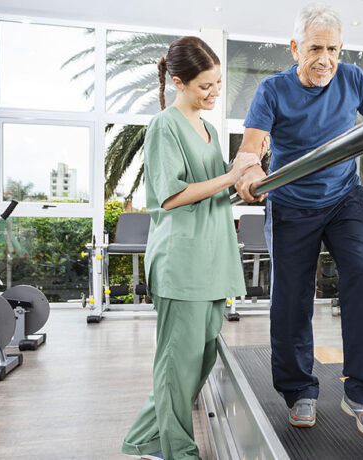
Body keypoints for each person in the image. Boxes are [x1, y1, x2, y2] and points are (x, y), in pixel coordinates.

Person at [234, 3, 363, 438]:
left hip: (344, 199)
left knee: (362, 276)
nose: (325, 59)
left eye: (333, 49)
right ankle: (300, 390)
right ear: (294, 49)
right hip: (290, 203)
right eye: (315, 49)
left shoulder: (353, 79)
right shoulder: (273, 90)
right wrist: (251, 171)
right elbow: (251, 148)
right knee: (291, 299)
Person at [121, 36, 260, 460]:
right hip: (182, 261)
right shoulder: (164, 125)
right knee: (176, 363)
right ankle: (174, 449)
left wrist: (247, 181)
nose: (215, 92)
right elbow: (170, 196)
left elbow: (220, 190)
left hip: (212, 257)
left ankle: (144, 439)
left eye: (218, 83)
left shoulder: (209, 129)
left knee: (198, 362)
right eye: (205, 86)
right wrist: (230, 172)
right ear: (179, 82)